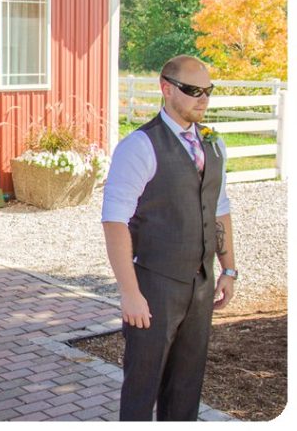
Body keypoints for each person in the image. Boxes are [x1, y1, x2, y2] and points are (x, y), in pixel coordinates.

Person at [101, 55, 238, 421]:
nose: (203, 99)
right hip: (154, 285)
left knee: (186, 387)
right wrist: (129, 293)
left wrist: (229, 270)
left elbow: (219, 207)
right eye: (193, 91)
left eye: (208, 91)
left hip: (202, 285)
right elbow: (114, 221)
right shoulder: (140, 146)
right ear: (166, 88)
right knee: (142, 389)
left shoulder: (214, 145)